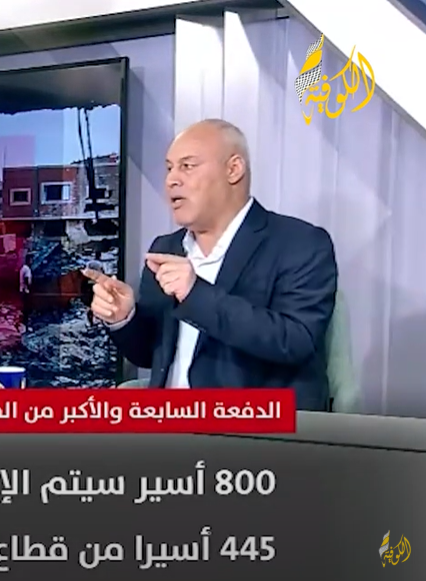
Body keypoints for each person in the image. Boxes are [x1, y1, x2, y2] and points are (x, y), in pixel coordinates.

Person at [84, 119, 337, 411]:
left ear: (233, 169)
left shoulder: (299, 243)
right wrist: (124, 317)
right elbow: (149, 355)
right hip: (167, 425)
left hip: (253, 428)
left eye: (187, 166)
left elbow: (295, 341)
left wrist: (195, 294)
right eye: (169, 168)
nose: (171, 180)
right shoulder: (165, 248)